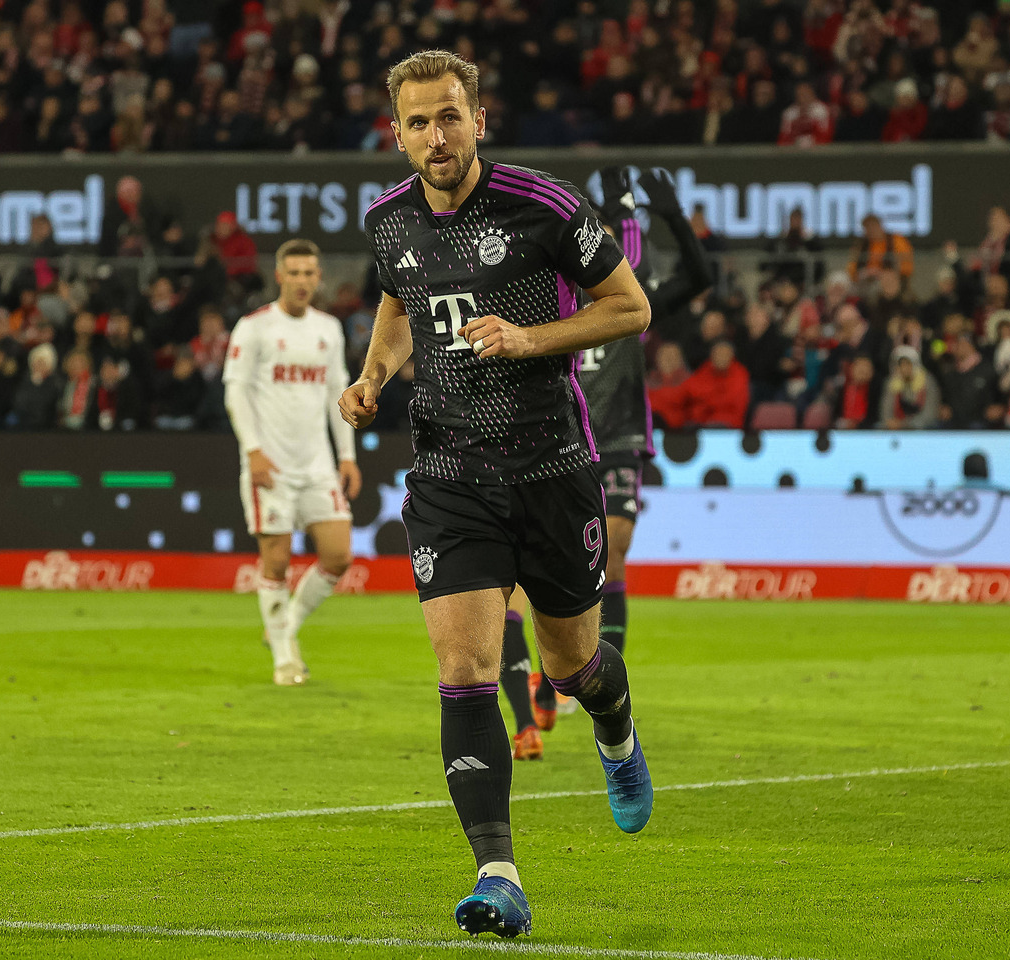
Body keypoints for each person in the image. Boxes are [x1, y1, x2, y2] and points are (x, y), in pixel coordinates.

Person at [339, 50, 653, 939]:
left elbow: (628, 308)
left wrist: (529, 337)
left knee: (569, 666)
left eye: (449, 116)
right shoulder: (388, 222)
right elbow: (401, 307)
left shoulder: (543, 205)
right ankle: (498, 875)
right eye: (417, 123)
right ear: (396, 134)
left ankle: (617, 729)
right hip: (448, 477)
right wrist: (372, 377)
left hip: (552, 469)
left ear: (480, 119)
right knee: (465, 667)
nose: (436, 136)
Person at [528, 163, 710, 731]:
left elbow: (699, 276)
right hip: (563, 439)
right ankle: (563, 670)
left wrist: (671, 216)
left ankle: (610, 675)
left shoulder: (628, 299)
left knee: (616, 542)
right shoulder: (547, 301)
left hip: (623, 435)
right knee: (560, 564)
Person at [223, 238, 361, 687]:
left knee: (339, 556)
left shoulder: (327, 329)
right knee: (275, 562)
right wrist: (253, 450)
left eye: (310, 273)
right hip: (272, 465)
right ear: (279, 276)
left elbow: (336, 394)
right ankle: (285, 657)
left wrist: (346, 456)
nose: (302, 281)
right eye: (294, 273)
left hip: (318, 464)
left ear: (319, 278)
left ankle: (285, 627)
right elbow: (235, 391)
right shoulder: (255, 327)